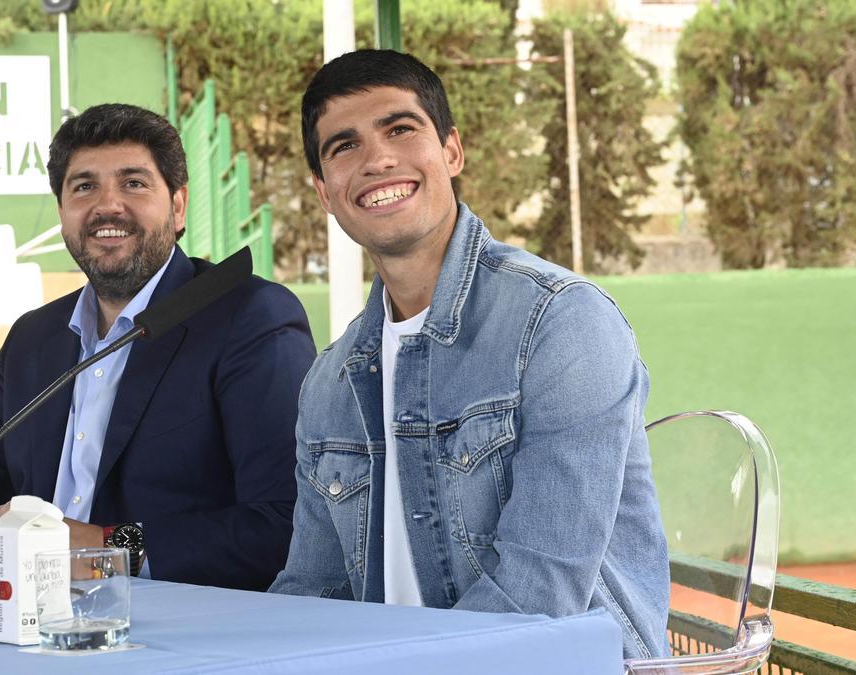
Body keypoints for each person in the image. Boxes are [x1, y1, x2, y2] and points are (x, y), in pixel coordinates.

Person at [268, 50, 669, 658]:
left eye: (400, 129)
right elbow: (311, 592)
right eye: (343, 146)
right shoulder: (330, 381)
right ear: (325, 192)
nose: (377, 159)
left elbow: (538, 596)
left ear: (451, 151)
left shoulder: (561, 322)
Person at [0, 103, 316, 591]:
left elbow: (282, 523)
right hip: (20, 623)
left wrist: (106, 548)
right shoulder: (34, 338)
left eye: (134, 183)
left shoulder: (249, 316)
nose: (108, 205)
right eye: (84, 187)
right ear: (62, 211)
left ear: (178, 205)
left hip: (177, 641)